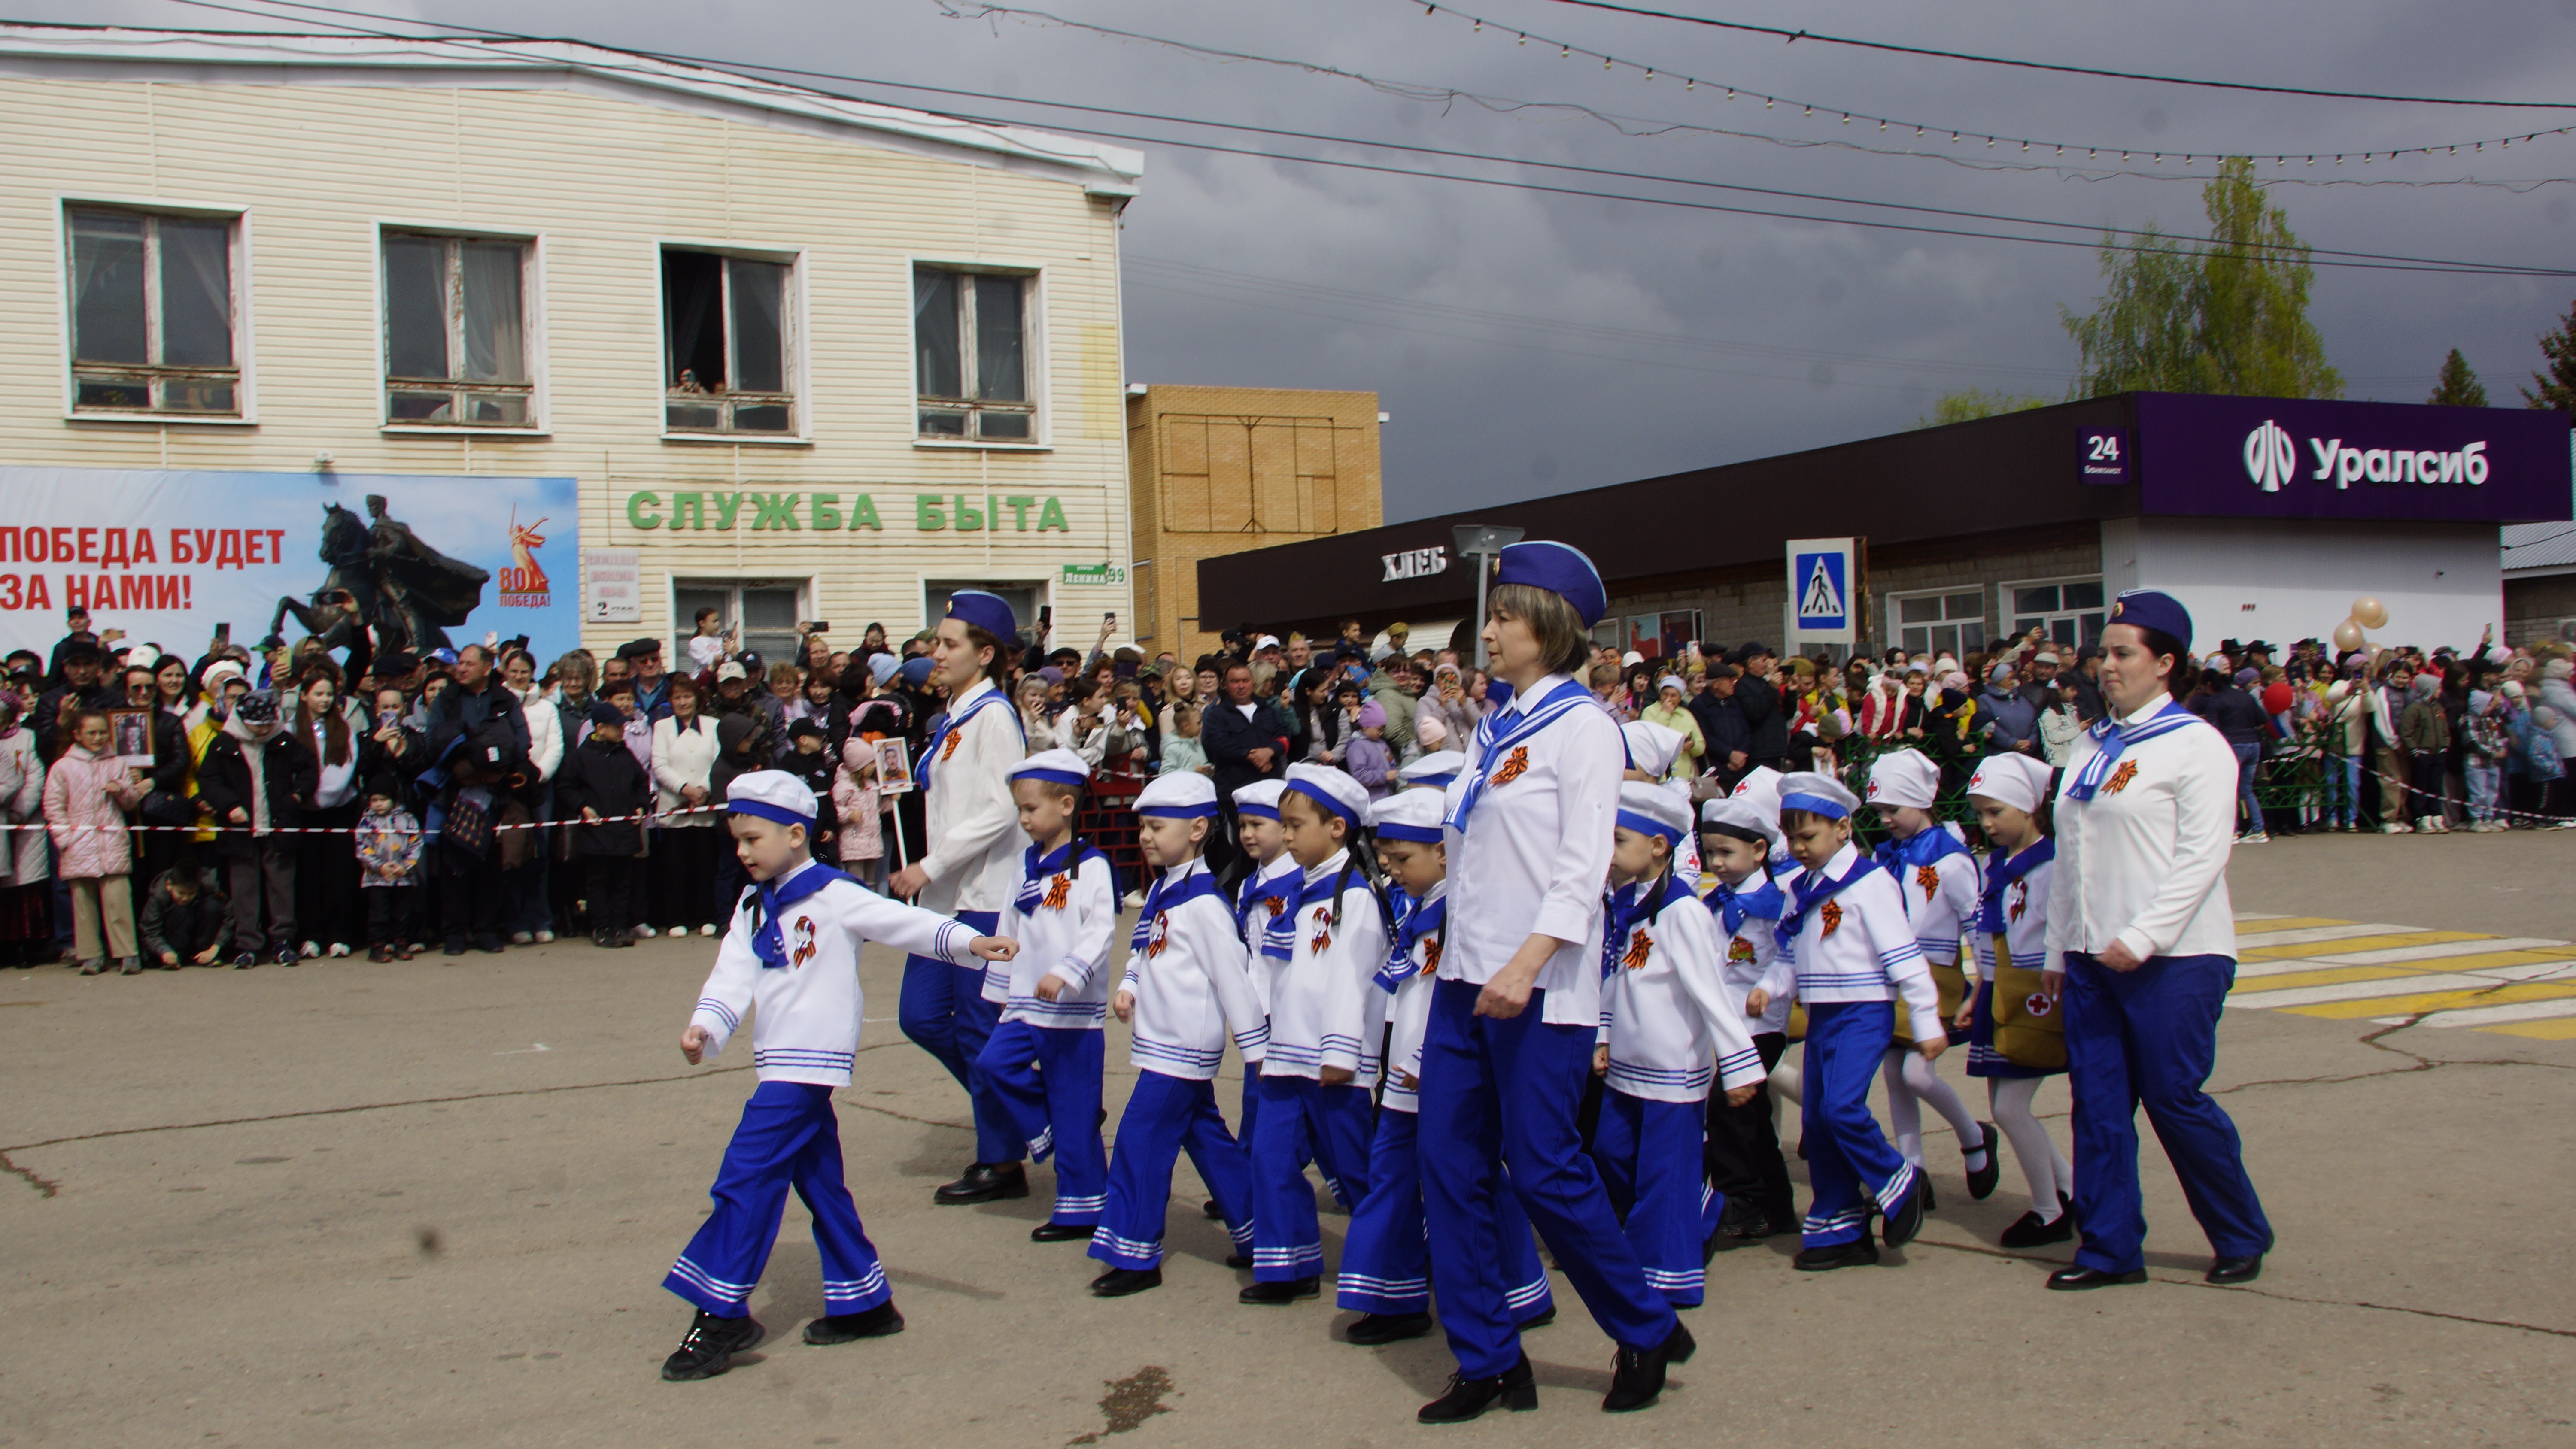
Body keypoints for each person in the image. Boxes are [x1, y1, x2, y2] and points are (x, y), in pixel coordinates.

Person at [1416, 541, 1689, 1424]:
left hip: (1539, 982)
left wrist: (1526, 963)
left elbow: (1581, 867)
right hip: (1464, 977)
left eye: (1503, 615)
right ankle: (1489, 1355)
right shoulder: (1494, 727)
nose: (1486, 630)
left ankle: (1644, 1324)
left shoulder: (1583, 728)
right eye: (1489, 615)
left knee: (1542, 1168)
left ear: (1550, 624)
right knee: (1448, 1168)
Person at [661, 770, 1018, 1381]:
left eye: (753, 839)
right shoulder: (753, 904)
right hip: (780, 1060)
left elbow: (898, 922)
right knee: (819, 1181)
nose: (743, 852)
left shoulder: (832, 893)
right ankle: (864, 1301)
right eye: (737, 842)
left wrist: (968, 942)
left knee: (745, 1177)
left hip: (808, 1063)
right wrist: (707, 1027)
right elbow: (731, 977)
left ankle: (723, 1309)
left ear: (796, 834)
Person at [2042, 588, 2269, 1291]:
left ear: (2165, 663)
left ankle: (2239, 1232)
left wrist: (2142, 937)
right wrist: (2057, 950)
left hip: (2176, 958)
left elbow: (2205, 854)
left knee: (2175, 1098)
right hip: (2090, 959)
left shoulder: (2195, 745)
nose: (2105, 666)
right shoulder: (2091, 743)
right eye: (2102, 654)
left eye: (2122, 654)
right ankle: (2109, 1250)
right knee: (2098, 1105)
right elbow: (2070, 854)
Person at [1334, 786, 1555, 1344]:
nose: (1393, 869)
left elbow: (1454, 1001)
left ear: (1447, 855)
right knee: (1397, 1176)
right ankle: (1397, 1294)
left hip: (1441, 1069)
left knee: (1472, 1179)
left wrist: (1422, 1057)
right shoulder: (1419, 907)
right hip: (1410, 1073)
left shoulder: (1462, 916)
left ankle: (1516, 1289)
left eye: (1404, 859)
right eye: (1387, 858)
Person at [1086, 772, 1268, 1297]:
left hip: (1183, 1044)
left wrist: (1255, 1048)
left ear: (1197, 829)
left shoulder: (1206, 903)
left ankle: (1135, 1252)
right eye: (1142, 826)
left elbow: (1234, 976)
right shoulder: (1167, 888)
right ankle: (1261, 1235)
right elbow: (1146, 945)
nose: (1145, 836)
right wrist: (1129, 983)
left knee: (1139, 1143)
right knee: (1208, 1139)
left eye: (1156, 826)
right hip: (1161, 1037)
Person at [1592, 783, 1765, 1307]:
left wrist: (1738, 1068)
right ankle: (1702, 1204)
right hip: (1626, 1061)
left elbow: (1711, 993)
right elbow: (1614, 977)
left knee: (1663, 1172)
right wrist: (1603, 1033)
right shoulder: (1627, 903)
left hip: (1672, 1065)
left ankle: (1666, 1275)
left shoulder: (1683, 911)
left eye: (1619, 839)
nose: (1609, 851)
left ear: (1659, 846)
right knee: (1609, 1151)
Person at [889, 591, 1031, 1206]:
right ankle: (1027, 1102)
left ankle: (1000, 1159)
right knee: (919, 1017)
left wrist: (930, 865)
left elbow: (1004, 808)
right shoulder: (954, 718)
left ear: (986, 654)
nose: (935, 653)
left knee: (976, 1029)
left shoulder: (994, 717)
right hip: (942, 900)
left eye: (950, 645)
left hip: (979, 894)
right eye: (936, 642)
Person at [1774, 770, 1942, 1272]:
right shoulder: (1799, 887)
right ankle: (1839, 1228)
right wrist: (1769, 990)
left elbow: (1904, 954)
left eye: (1809, 836)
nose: (1799, 847)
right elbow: (1788, 952)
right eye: (1792, 838)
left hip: (1865, 1010)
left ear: (1844, 828)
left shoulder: (1870, 883)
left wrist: (1928, 1017)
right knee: (1819, 1121)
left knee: (1843, 1109)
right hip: (1823, 1013)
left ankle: (1899, 1180)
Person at [1243, 763, 1388, 1307]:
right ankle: (1288, 1264)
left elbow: (1356, 979)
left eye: (1295, 824)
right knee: (1272, 1158)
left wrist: (1341, 1051)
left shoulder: (1356, 894)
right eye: (1283, 824)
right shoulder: (1300, 888)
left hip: (1331, 1061)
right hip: (1287, 1053)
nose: (1286, 835)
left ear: (1336, 828)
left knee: (1355, 1171)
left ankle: (1400, 1261)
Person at [972, 749, 1117, 1241]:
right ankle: (1048, 1126)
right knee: (993, 1064)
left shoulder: (1092, 865)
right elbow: (1008, 924)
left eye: (1032, 808)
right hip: (1025, 1003)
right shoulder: (1024, 863)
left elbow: (1101, 931)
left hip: (1072, 1010)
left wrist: (1068, 971)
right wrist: (999, 985)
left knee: (1078, 1111)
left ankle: (1082, 1209)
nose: (1025, 818)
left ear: (1068, 805)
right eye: (1021, 809)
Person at [1864, 749, 2000, 1203]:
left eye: (1893, 809)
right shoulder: (1887, 857)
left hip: (1936, 980)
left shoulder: (1950, 859)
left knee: (1918, 1073)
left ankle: (1974, 1135)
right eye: (1878, 810)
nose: (1884, 819)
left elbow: (1977, 924)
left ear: (1922, 802)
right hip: (1892, 979)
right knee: (1894, 1074)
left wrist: (1982, 986)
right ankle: (1913, 1173)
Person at [1956, 752, 2075, 1247]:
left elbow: (2064, 929)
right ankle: (2069, 1189)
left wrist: (2054, 969)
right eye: (1981, 813)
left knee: (2009, 1108)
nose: (1987, 823)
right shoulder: (1997, 864)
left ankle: (2049, 1209)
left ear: (2029, 808)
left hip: (2036, 993)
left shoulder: (2054, 862)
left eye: (1996, 811)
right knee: (2004, 1103)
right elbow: (1988, 936)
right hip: (2002, 988)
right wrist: (1979, 988)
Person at [1696, 797, 1797, 1244]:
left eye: (1726, 853)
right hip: (1727, 1024)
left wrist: (1770, 989)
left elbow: (1791, 957)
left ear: (1759, 850)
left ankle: (1743, 1200)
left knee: (1728, 1106)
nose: (1717, 862)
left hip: (1762, 1026)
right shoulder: (1715, 901)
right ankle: (1777, 1205)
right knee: (1751, 1115)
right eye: (1710, 852)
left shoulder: (1776, 903)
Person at [421, 644, 529, 955]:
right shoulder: (447, 699)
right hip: (456, 791)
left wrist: (495, 767)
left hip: (496, 793)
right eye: (460, 664)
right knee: (454, 864)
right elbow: (433, 742)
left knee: (490, 867)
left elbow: (521, 742)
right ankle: (454, 932)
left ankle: (485, 930)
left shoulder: (505, 700)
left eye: (469, 664)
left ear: (487, 668)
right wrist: (470, 761)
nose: (462, 669)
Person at [197, 691, 314, 968]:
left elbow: (310, 768)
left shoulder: (284, 740)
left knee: (281, 885)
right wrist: (229, 806)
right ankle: (247, 944)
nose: (262, 729)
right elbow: (208, 780)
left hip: (279, 825)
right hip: (240, 830)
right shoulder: (223, 743)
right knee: (244, 888)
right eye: (255, 724)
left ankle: (283, 941)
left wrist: (297, 796)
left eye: (266, 723)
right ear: (242, 719)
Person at [44, 709, 152, 975]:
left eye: (103, 732)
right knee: (83, 905)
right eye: (91, 733)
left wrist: (123, 791)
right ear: (77, 735)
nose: (98, 737)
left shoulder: (117, 763)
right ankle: (91, 955)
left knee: (118, 900)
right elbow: (53, 806)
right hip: (78, 842)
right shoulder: (63, 766)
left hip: (111, 839)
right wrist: (65, 839)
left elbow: (130, 803)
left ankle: (128, 953)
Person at [559, 700, 654, 948]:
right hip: (597, 832)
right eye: (616, 727)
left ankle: (620, 925)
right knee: (598, 882)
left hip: (625, 830)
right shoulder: (582, 756)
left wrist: (641, 806)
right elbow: (566, 787)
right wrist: (583, 807)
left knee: (623, 881)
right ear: (600, 728)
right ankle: (601, 927)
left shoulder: (626, 754)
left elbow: (642, 783)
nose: (622, 730)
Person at [650, 675, 725, 938]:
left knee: (706, 865)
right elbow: (659, 765)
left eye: (688, 696)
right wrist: (685, 789)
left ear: (697, 698)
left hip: (705, 807)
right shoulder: (661, 727)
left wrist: (702, 791)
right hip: (674, 807)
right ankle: (676, 919)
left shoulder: (712, 725)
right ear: (670, 701)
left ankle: (705, 916)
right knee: (675, 867)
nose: (683, 702)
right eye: (677, 697)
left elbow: (718, 760)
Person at [1201, 660, 1282, 879]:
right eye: (1235, 682)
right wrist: (1252, 755)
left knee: (1271, 839)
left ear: (1252, 683)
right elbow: (1216, 745)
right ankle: (1240, 888)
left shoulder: (1269, 709)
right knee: (1243, 844)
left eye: (1245, 681)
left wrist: (1271, 751)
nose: (1241, 686)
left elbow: (1284, 736)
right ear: (1226, 685)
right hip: (1234, 789)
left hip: (1269, 787)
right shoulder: (1216, 715)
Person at [0, 688, 52, 967]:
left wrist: (19, 812)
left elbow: (34, 777)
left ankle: (24, 945)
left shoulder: (27, 738)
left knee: (22, 887)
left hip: (23, 821)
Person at [353, 773, 423, 961]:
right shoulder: (367, 822)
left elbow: (416, 844)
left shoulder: (407, 820)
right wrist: (380, 867)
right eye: (374, 800)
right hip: (376, 878)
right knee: (379, 915)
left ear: (393, 798)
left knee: (402, 914)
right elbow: (362, 849)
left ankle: (401, 944)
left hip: (403, 877)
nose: (378, 804)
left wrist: (406, 867)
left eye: (383, 799)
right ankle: (377, 947)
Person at [138, 850, 225, 970]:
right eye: (181, 893)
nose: (185, 898)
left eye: (191, 894)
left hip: (199, 937)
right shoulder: (158, 896)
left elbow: (230, 917)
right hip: (171, 941)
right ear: (169, 885)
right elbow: (149, 931)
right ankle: (176, 957)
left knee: (213, 906)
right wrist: (164, 951)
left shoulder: (209, 885)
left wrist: (215, 947)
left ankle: (203, 954)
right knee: (181, 910)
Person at [829, 737, 887, 891]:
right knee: (856, 883)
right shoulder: (843, 787)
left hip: (872, 842)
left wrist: (892, 802)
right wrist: (849, 815)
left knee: (871, 882)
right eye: (871, 763)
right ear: (859, 767)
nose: (875, 766)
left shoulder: (872, 786)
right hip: (853, 844)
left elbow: (878, 809)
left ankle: (872, 910)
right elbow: (834, 810)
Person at [1345, 699, 1394, 800]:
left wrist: (1395, 772)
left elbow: (1391, 761)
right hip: (1371, 798)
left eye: (1383, 729)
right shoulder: (1357, 746)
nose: (1381, 733)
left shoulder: (1382, 743)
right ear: (1365, 727)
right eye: (1379, 729)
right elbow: (1359, 775)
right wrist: (1385, 776)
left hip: (1388, 794)